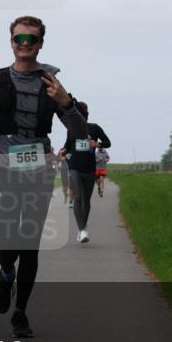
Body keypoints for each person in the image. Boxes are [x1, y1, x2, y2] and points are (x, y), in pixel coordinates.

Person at [0, 16, 87, 338]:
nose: (25, 45)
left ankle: (20, 313)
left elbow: (79, 134)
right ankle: (6, 273)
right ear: (11, 42)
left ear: (40, 43)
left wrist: (67, 103)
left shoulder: (52, 84)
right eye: (19, 39)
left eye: (31, 40)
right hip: (5, 170)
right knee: (8, 240)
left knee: (30, 245)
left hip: (39, 172)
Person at [64, 102, 111, 243]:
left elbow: (108, 142)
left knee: (86, 200)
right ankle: (82, 230)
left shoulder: (95, 128)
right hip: (74, 167)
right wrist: (63, 150)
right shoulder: (71, 129)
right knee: (78, 196)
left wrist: (98, 145)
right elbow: (68, 145)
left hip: (90, 168)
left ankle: (83, 227)